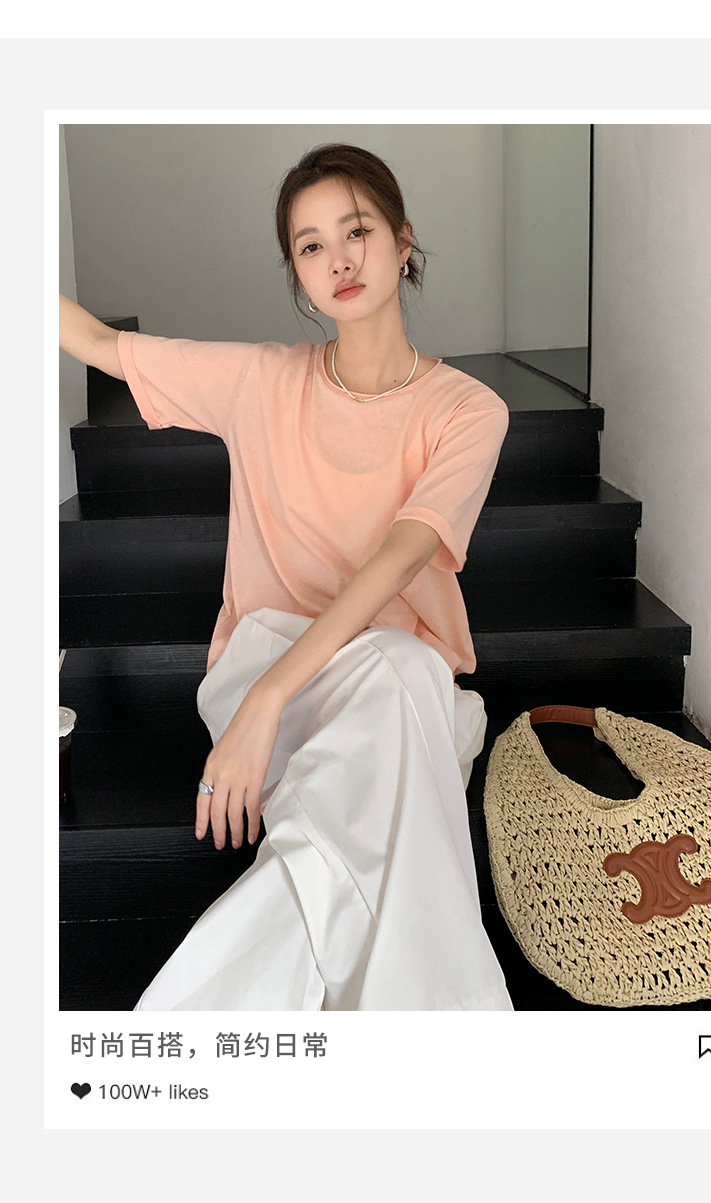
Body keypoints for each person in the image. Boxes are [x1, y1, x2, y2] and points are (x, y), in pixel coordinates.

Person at [59, 143, 514, 1011]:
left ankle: (188, 1029)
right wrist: (263, 691)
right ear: (298, 274)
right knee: (402, 720)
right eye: (311, 245)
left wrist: (266, 705)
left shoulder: (467, 410)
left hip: (365, 681)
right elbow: (97, 343)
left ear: (403, 241)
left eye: (357, 231)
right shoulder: (262, 381)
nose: (338, 259)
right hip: (267, 657)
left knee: (391, 693)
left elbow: (400, 556)